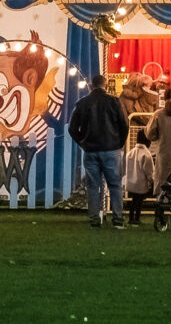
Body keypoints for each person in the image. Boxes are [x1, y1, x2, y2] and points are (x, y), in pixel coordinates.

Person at [70, 73, 129, 226]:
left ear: (91, 85)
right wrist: (119, 142)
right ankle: (118, 219)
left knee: (92, 186)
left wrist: (83, 142)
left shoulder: (83, 103)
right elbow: (124, 124)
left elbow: (72, 128)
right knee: (115, 185)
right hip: (111, 148)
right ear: (105, 84)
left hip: (90, 149)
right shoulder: (115, 101)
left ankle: (94, 219)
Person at [123, 125, 160, 225]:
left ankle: (131, 218)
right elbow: (149, 171)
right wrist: (152, 181)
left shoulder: (130, 152)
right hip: (141, 183)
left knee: (133, 202)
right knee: (139, 203)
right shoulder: (146, 154)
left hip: (131, 183)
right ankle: (137, 219)